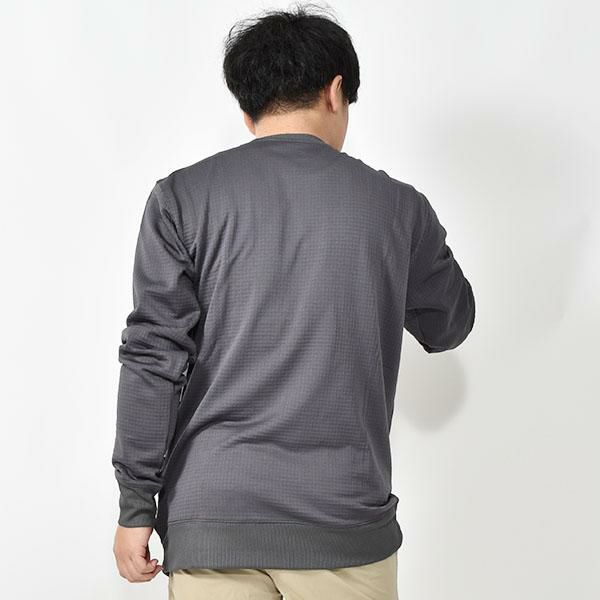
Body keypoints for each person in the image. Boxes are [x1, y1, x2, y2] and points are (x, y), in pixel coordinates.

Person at [111, 5, 476, 599]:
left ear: (247, 106)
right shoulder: (397, 206)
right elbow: (450, 323)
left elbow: (152, 358)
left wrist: (135, 504)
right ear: (336, 91)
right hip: (343, 522)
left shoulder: (181, 198)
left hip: (213, 518)